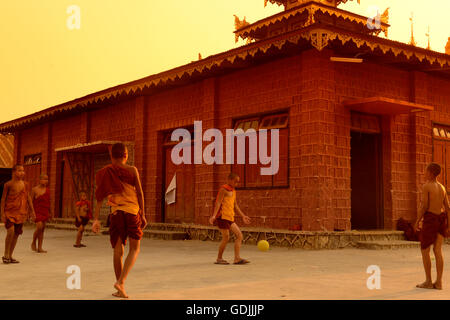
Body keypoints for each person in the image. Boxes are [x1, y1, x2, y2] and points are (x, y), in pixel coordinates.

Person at [92, 143, 147, 299]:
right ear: (126, 155)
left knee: (118, 250)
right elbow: (140, 193)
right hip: (131, 211)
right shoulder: (132, 170)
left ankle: (119, 288)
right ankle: (121, 282)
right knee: (135, 249)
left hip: (116, 213)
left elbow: (100, 197)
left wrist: (96, 219)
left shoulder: (106, 172)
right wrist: (142, 214)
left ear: (111, 156)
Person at [414, 163, 450, 290]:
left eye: (425, 171)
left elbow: (424, 206)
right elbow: (448, 207)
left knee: (425, 250)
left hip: (430, 219)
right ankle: (439, 282)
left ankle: (428, 281)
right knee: (438, 250)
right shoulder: (442, 187)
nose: (424, 173)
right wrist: (448, 225)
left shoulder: (427, 186)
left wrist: (417, 221)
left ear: (430, 172)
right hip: (441, 219)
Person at [209, 173, 251, 265]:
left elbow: (235, 205)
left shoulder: (234, 191)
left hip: (230, 217)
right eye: (235, 181)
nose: (237, 183)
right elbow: (218, 203)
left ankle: (237, 258)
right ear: (229, 180)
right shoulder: (223, 190)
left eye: (237, 182)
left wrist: (243, 216)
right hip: (222, 216)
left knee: (239, 235)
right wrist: (213, 216)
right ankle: (219, 258)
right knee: (226, 237)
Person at [1, 164, 35, 264]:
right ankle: (5, 254)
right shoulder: (8, 184)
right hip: (9, 211)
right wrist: (2, 213)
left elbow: (28, 197)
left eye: (23, 171)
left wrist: (32, 211)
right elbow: (3, 199)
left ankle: (10, 256)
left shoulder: (26, 184)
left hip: (21, 212)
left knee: (16, 234)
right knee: (10, 231)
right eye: (19, 170)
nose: (22, 173)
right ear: (14, 172)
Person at [31, 174, 52, 253]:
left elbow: (49, 202)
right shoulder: (34, 189)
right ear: (40, 180)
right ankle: (33, 242)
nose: (46, 181)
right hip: (37, 211)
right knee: (39, 227)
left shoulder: (48, 190)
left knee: (42, 229)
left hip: (45, 210)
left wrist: (50, 213)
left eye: (47, 179)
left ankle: (40, 248)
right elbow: (30, 202)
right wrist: (31, 213)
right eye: (44, 179)